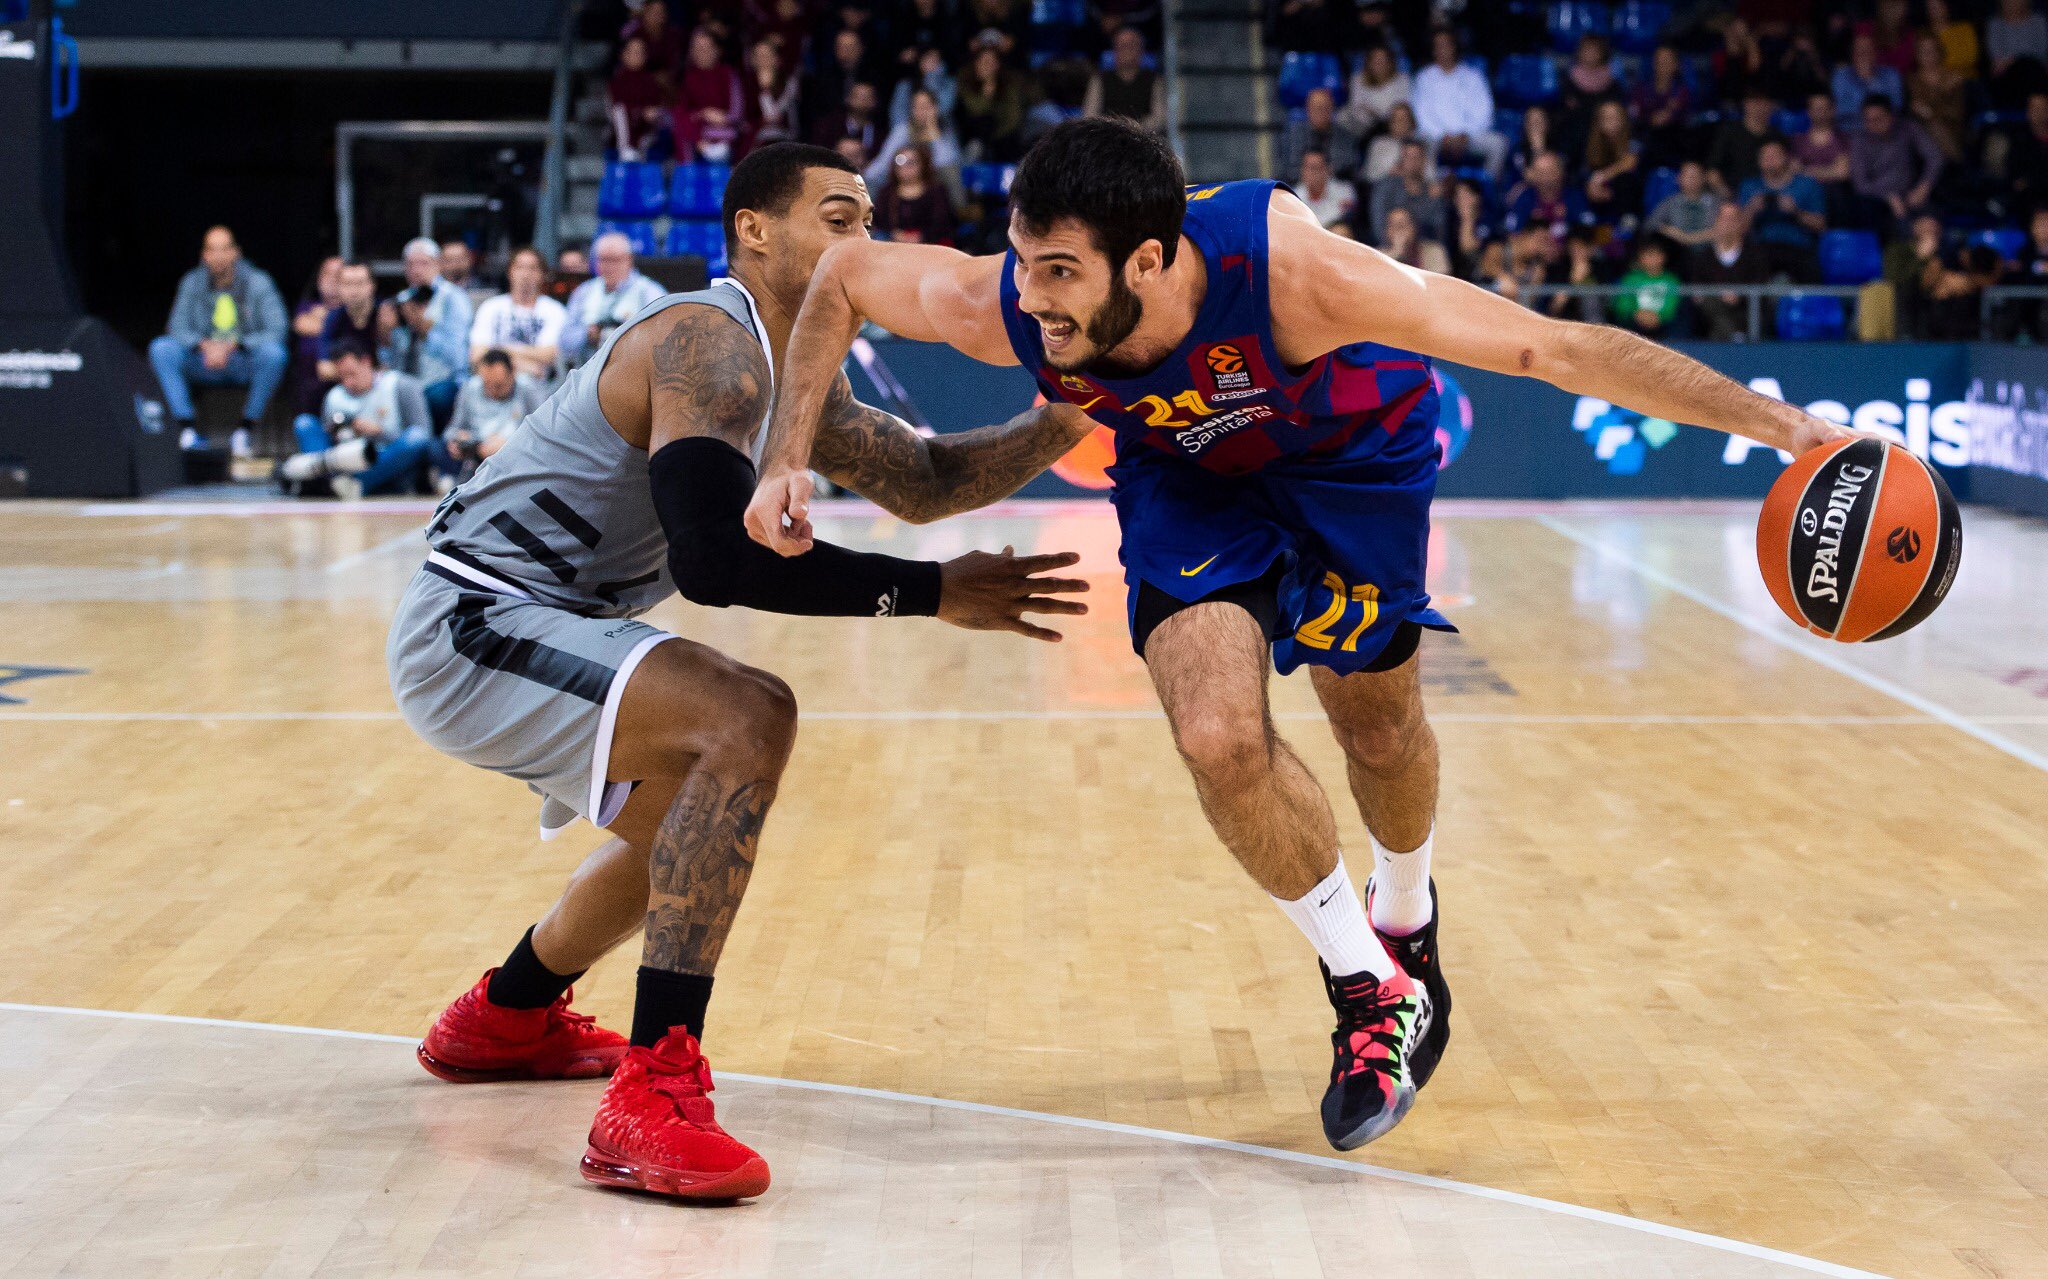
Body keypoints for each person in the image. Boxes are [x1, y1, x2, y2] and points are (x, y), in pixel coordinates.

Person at [745, 117, 1857, 1153]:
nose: (1030, 301)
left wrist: (1777, 425)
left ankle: (1405, 913)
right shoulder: (1007, 302)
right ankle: (1368, 983)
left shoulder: (1299, 274)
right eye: (1022, 262)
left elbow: (1543, 350)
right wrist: (786, 453)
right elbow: (842, 278)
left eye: (1059, 272)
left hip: (1351, 460)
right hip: (1188, 478)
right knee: (1217, 736)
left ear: (1147, 259)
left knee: (1377, 731)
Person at [395, 142, 1093, 1201]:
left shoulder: (797, 372)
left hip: (546, 617)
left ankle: (507, 1012)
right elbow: (715, 563)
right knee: (745, 714)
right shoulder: (709, 342)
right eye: (836, 216)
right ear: (753, 230)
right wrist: (932, 594)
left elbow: (928, 480)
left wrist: (1064, 420)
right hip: (475, 616)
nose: (859, 243)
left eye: (867, 223)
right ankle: (650, 1093)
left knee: (678, 827)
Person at [148, 225, 289, 456]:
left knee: (274, 354)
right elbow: (176, 326)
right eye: (212, 250)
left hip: (242, 360)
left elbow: (278, 329)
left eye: (224, 249)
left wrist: (234, 345)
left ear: (236, 252)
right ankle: (186, 429)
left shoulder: (258, 282)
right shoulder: (191, 282)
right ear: (204, 255)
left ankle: (246, 430)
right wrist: (203, 345)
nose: (219, 257)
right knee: (162, 348)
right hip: (202, 360)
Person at [289, 342, 433, 499]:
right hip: (342, 464)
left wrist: (379, 432)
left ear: (366, 362)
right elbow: (325, 446)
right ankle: (334, 484)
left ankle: (350, 486)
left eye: (352, 374)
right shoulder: (334, 396)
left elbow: (424, 435)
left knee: (417, 437)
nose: (347, 383)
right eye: (341, 377)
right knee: (304, 423)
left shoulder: (401, 385)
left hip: (384, 462)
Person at [386, 238, 475, 429]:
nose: (417, 270)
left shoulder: (454, 298)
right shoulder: (400, 301)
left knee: (437, 396)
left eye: (423, 263)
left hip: (444, 384)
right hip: (407, 382)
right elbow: (392, 358)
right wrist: (385, 334)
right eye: (411, 264)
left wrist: (426, 332)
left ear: (438, 265)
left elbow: (459, 358)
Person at [437, 348, 544, 489]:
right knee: (435, 448)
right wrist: (458, 440)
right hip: (477, 458)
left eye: (498, 386)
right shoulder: (470, 388)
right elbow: (451, 431)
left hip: (520, 461)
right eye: (487, 385)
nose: (492, 391)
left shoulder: (528, 389)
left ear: (512, 374)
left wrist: (511, 444)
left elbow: (543, 432)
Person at [561, 233, 665, 370]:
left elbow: (663, 337)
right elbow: (564, 340)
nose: (608, 266)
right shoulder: (584, 292)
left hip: (634, 370)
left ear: (629, 260)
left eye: (614, 260)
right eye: (603, 260)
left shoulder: (650, 292)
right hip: (588, 368)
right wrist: (587, 334)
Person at [1411, 28, 1507, 176]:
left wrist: (1465, 135)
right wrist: (1443, 136)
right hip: (1436, 137)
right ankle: (1432, 192)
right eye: (1438, 46)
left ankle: (1484, 190)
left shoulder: (1473, 76)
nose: (1442, 50)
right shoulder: (1424, 77)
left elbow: (1484, 111)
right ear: (1433, 50)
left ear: (1454, 47)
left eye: (1446, 45)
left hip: (1469, 136)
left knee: (1498, 144)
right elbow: (1421, 114)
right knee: (1422, 143)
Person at [1848, 95, 1944, 235]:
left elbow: (1935, 157)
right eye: (1868, 120)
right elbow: (1861, 184)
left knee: (1931, 223)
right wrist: (1888, 196)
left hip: (1910, 195)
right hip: (1877, 200)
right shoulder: (1859, 140)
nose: (1873, 124)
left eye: (1879, 119)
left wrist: (1924, 186)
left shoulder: (1907, 128)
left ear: (1890, 116)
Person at [470, 247, 568, 380]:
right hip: (492, 379)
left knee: (524, 382)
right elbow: (477, 355)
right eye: (520, 267)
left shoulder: (555, 310)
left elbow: (549, 355)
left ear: (543, 274)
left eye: (532, 268)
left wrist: (498, 351)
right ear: (509, 272)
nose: (525, 274)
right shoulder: (490, 307)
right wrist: (523, 362)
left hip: (537, 385)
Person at [1739, 139, 1827, 280]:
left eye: (1774, 156)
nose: (1770, 160)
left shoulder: (1807, 184)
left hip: (1798, 249)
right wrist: (1751, 209)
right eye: (1765, 157)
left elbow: (1820, 225)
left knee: (1811, 270)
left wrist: (1796, 212)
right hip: (1761, 249)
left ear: (1786, 157)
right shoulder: (1749, 186)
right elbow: (1738, 230)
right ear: (1758, 161)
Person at [1689, 203, 1769, 339]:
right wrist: (1719, 294)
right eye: (1724, 218)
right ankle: (1735, 336)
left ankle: (1732, 335)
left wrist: (1739, 295)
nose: (1728, 224)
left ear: (1740, 223)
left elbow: (1760, 282)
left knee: (1718, 332)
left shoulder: (1755, 254)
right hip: (1712, 310)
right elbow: (1697, 286)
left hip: (1745, 311)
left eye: (1732, 219)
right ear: (1716, 222)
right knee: (1710, 304)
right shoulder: (1703, 256)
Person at [865, 86, 961, 191]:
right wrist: (862, 178)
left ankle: (962, 208)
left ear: (935, 108)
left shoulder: (945, 129)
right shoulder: (903, 131)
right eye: (916, 107)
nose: (920, 111)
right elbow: (883, 162)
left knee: (950, 172)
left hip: (935, 185)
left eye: (925, 106)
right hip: (905, 183)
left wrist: (933, 131)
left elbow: (948, 163)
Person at [674, 27, 745, 164]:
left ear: (717, 50)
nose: (701, 53)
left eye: (706, 48)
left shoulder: (728, 74)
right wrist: (703, 115)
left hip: (726, 132)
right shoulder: (687, 77)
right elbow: (680, 112)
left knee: (721, 153)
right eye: (697, 48)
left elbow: (737, 113)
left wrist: (724, 118)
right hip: (696, 134)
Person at [1083, 27, 1166, 135]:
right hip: (1107, 139)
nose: (1127, 51)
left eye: (1132, 46)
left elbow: (1160, 117)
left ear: (1141, 50)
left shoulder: (1155, 80)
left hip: (1143, 140)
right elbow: (1090, 115)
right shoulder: (1099, 79)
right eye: (1122, 46)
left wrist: (1134, 128)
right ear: (1114, 50)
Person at [1705, 89, 1785, 198]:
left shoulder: (1777, 136)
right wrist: (1728, 196)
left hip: (1770, 196)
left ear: (1771, 105)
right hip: (1733, 195)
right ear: (1746, 104)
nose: (1760, 107)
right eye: (1755, 102)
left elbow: (1785, 170)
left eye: (1764, 102)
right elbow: (1712, 172)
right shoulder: (1728, 131)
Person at [290, 255, 343, 417]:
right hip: (311, 387)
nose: (332, 280)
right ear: (319, 279)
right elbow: (300, 325)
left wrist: (325, 318)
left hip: (345, 381)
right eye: (328, 274)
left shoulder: (353, 310)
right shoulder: (307, 305)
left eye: (338, 275)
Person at [875, 143, 958, 244]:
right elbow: (879, 221)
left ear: (922, 164)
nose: (905, 167)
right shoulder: (886, 192)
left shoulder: (936, 191)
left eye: (911, 162)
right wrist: (895, 234)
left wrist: (922, 236)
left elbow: (944, 223)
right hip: (894, 245)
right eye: (900, 161)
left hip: (930, 245)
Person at [1502, 151, 1592, 241]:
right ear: (1533, 175)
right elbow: (1512, 235)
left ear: (1561, 172)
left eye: (1551, 172)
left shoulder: (1576, 198)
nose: (1546, 178)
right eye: (1541, 173)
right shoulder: (1524, 199)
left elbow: (1589, 231)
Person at [318, 261, 385, 382]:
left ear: (372, 285)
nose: (354, 290)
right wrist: (359, 374)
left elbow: (396, 366)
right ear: (338, 287)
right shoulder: (334, 318)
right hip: (349, 388)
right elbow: (324, 369)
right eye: (347, 284)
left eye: (359, 283)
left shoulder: (387, 313)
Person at [1369, 139, 1446, 244]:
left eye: (1416, 157)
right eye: (1407, 156)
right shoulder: (1386, 187)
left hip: (1422, 251)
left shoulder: (1433, 192)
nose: (1412, 162)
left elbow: (1439, 231)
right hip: (1388, 248)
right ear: (1401, 160)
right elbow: (1378, 227)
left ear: (1424, 161)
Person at [610, 35, 672, 161]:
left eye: (640, 52)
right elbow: (616, 112)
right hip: (624, 134)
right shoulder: (616, 82)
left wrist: (655, 112)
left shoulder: (652, 82)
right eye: (632, 52)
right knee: (619, 111)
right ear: (623, 55)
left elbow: (663, 106)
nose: (636, 55)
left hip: (650, 132)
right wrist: (640, 113)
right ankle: (626, 149)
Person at [1632, 44, 1693, 171]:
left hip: (1674, 143)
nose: (1663, 63)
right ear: (1653, 63)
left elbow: (1682, 118)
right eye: (1659, 59)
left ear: (1676, 65)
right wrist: (1650, 119)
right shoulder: (1641, 89)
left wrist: (1669, 115)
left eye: (1667, 59)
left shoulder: (1683, 92)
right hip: (1646, 142)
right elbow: (1635, 115)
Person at [1581, 99, 1642, 227]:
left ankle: (1625, 232)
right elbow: (1586, 175)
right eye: (1607, 118)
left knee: (1625, 179)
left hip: (1627, 202)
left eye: (1615, 117)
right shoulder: (1592, 146)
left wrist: (1600, 178)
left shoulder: (1634, 139)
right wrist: (1592, 186)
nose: (1611, 121)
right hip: (1601, 202)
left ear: (1623, 119)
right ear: (1599, 122)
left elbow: (1629, 163)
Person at [1337, 45, 1410, 150]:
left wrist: (1375, 112)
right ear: (1368, 63)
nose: (1379, 63)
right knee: (1342, 116)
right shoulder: (1357, 79)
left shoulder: (1402, 80)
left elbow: (1401, 107)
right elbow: (1356, 106)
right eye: (1375, 60)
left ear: (1390, 63)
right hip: (1362, 125)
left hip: (1389, 125)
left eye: (1383, 60)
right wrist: (1373, 113)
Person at [1282, 87, 1360, 184]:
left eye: (1324, 107)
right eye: (1315, 107)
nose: (1320, 112)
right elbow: (1290, 169)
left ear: (1332, 108)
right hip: (1302, 187)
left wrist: (1321, 173)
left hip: (1337, 187)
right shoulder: (1294, 135)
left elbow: (1350, 167)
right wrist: (1314, 175)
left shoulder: (1345, 136)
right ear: (1307, 109)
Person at [1610, 237, 1683, 336]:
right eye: (1649, 255)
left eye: (1657, 255)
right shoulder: (1630, 278)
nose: (1653, 259)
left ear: (1664, 257)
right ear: (1640, 257)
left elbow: (1672, 305)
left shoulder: (1671, 280)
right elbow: (1623, 304)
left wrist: (1660, 317)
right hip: (1634, 322)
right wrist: (1636, 314)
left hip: (1662, 323)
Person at [1644, 159, 1721, 250]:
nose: (1692, 179)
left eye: (1695, 175)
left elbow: (1728, 226)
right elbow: (1649, 225)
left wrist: (1690, 238)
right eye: (1688, 176)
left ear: (1704, 178)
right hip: (1676, 252)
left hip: (1709, 252)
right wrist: (1670, 231)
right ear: (1679, 178)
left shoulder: (1715, 202)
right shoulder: (1669, 202)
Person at [1833, 31, 1905, 124]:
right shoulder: (1841, 76)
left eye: (1868, 48)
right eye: (1859, 49)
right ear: (1852, 54)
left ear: (1876, 53)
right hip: (1852, 132)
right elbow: (1840, 110)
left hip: (1886, 130)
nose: (1863, 53)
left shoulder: (1891, 75)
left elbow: (1896, 106)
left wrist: (1871, 80)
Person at [1363, 102, 1431, 184]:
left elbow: (1430, 175)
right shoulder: (1379, 144)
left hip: (1417, 189)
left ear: (1411, 121)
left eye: (1403, 118)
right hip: (1385, 187)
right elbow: (1369, 175)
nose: (1398, 122)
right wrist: (1390, 172)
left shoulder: (1423, 144)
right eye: (1395, 118)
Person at [1297, 149, 1359, 237]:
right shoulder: (1293, 195)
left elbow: (1343, 220)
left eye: (1316, 167)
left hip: (1333, 236)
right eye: (1308, 167)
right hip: (1307, 238)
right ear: (1302, 170)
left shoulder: (1345, 191)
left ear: (1328, 169)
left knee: (1341, 231)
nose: (1312, 173)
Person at [1379, 204, 1449, 274]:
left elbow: (1441, 281)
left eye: (1403, 223)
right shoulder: (1378, 256)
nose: (1398, 229)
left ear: (1413, 228)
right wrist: (1396, 252)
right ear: (1387, 231)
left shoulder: (1434, 251)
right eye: (1393, 224)